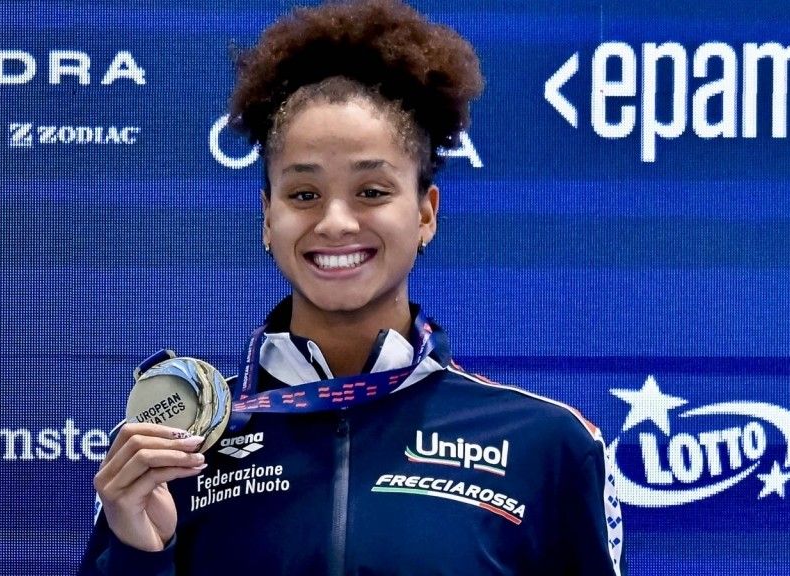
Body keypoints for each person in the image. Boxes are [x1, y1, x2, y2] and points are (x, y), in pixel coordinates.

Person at [78, 1, 625, 574]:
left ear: (425, 214)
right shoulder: (173, 449)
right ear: (268, 217)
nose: (335, 223)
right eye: (304, 195)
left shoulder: (549, 445)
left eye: (371, 192)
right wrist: (140, 555)